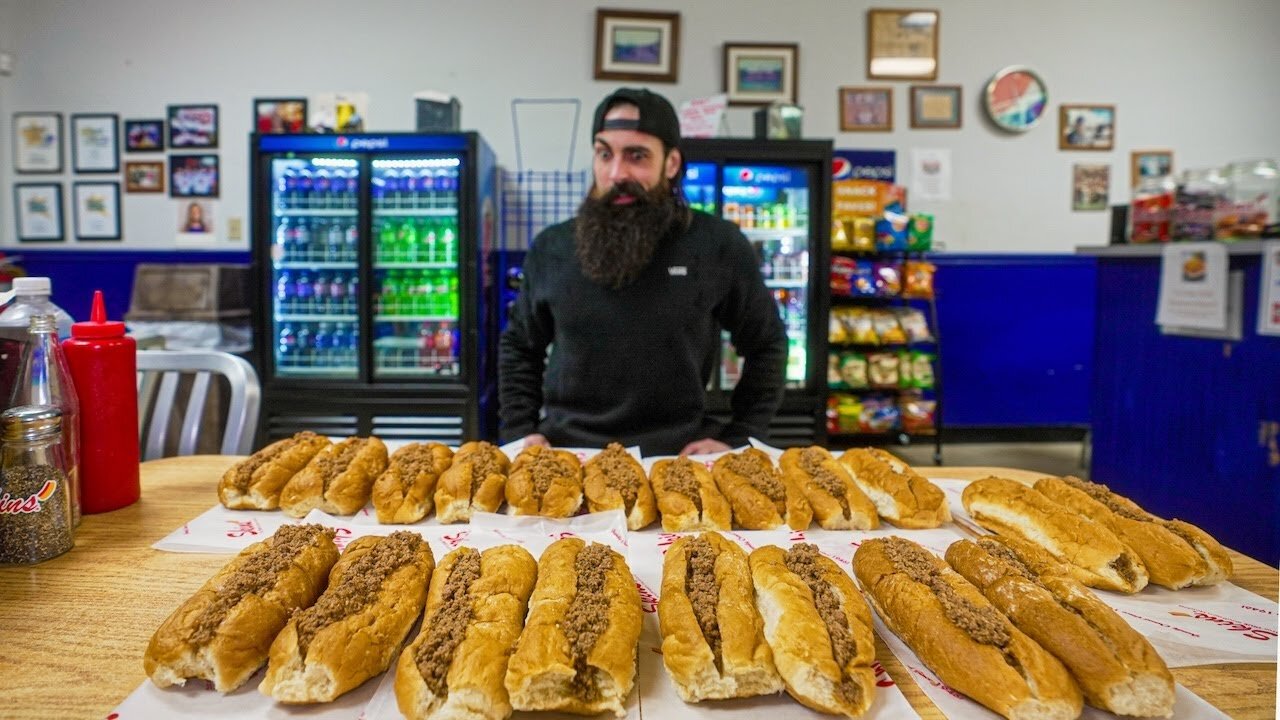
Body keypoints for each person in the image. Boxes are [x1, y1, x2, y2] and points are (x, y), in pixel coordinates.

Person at [499, 87, 787, 456]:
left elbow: (768, 345)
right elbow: (520, 347)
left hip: (679, 459)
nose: (617, 173)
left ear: (671, 163)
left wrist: (739, 437)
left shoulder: (717, 244)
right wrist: (520, 430)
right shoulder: (552, 247)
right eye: (605, 154)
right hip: (568, 455)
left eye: (637, 156)